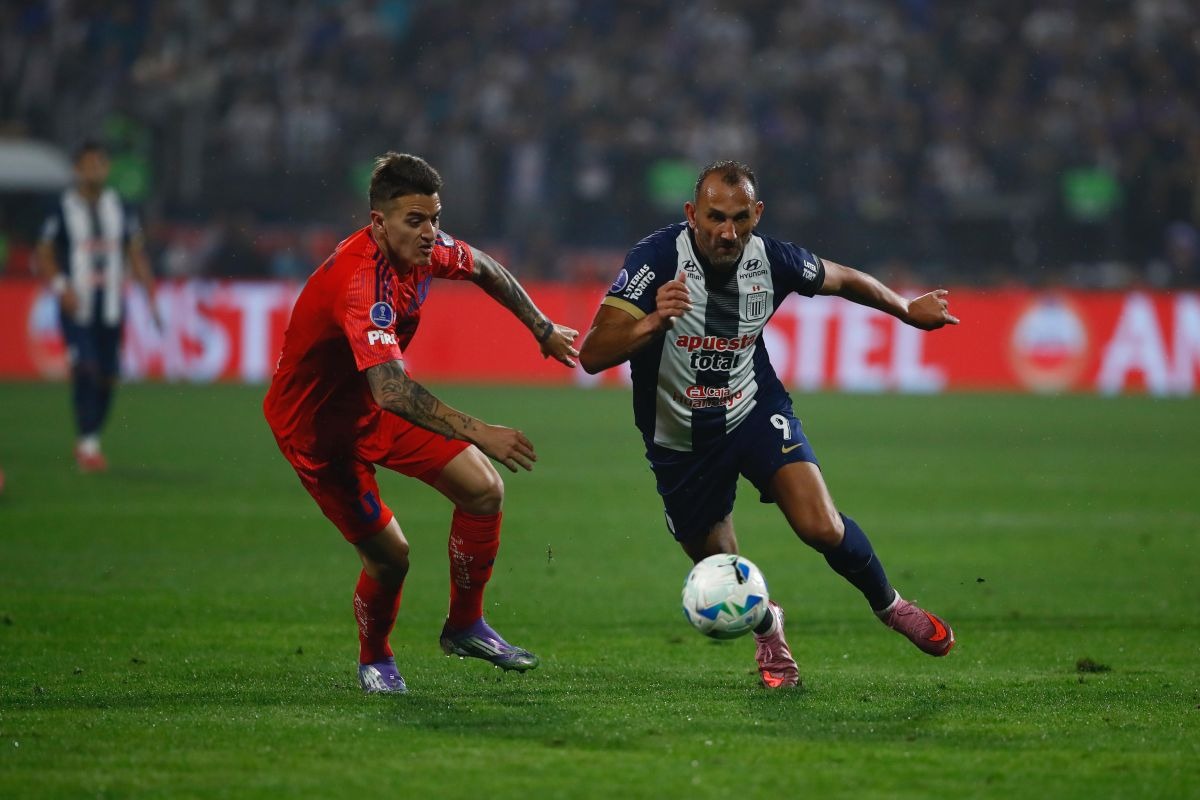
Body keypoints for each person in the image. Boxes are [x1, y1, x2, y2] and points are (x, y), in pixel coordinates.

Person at [578, 160, 960, 689]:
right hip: (679, 437)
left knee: (821, 525)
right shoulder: (657, 259)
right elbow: (592, 354)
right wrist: (651, 320)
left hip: (753, 408)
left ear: (757, 214)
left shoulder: (772, 259)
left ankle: (891, 605)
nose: (727, 232)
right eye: (714, 217)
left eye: (739, 218)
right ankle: (767, 627)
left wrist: (903, 309)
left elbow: (845, 279)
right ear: (692, 213)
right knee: (723, 570)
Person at [263, 152, 579, 694]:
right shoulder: (362, 282)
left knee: (483, 490)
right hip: (319, 431)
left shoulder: (426, 249)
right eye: (415, 221)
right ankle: (375, 658)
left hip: (369, 408)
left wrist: (541, 325)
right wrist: (481, 430)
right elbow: (392, 390)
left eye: (434, 218)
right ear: (378, 222)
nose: (430, 232)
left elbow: (485, 266)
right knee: (391, 559)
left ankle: (465, 626)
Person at [36, 140, 157, 472]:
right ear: (78, 169)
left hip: (112, 307)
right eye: (90, 164)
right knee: (86, 369)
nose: (96, 170)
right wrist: (62, 287)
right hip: (78, 306)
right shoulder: (62, 207)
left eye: (101, 164)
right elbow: (44, 253)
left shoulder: (121, 206)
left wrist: (151, 296)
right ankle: (88, 444)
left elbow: (135, 252)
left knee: (106, 377)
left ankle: (90, 439)